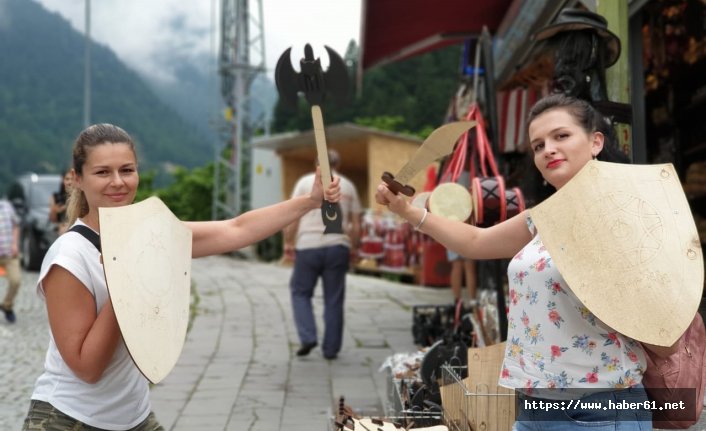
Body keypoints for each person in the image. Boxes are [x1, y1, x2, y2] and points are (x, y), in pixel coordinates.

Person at [376, 94, 669, 429]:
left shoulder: (626, 216)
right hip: (534, 407)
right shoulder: (542, 217)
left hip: (600, 409)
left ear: (596, 141)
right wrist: (408, 212)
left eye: (561, 136)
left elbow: (661, 321)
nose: (548, 150)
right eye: (538, 145)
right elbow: (475, 241)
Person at [22, 123, 341, 431]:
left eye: (127, 170)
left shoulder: (149, 236)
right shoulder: (70, 257)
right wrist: (128, 279)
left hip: (131, 417)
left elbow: (236, 229)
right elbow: (87, 368)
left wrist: (311, 202)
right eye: (102, 172)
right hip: (68, 420)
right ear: (77, 178)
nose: (118, 181)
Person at [284, 149, 362, 360]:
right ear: (339, 164)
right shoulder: (348, 185)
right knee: (334, 299)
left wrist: (288, 241)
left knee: (300, 292)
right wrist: (353, 248)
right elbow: (355, 224)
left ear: (316, 164)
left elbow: (293, 215)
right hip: (338, 246)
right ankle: (331, 349)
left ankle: (308, 335)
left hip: (307, 245)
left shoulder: (304, 182)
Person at [0, 196, 21, 323]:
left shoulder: (6, 206)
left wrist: (15, 244)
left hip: (9, 254)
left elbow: (16, 225)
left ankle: (7, 305)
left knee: (16, 281)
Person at [48, 168, 73, 235]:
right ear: (63, 180)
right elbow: (53, 220)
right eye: (67, 179)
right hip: (60, 229)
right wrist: (54, 210)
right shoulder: (55, 197)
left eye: (72, 179)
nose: (70, 182)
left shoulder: (81, 197)